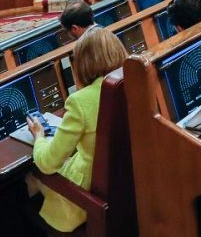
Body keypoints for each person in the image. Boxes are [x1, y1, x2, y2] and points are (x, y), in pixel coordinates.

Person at [27, 25, 128, 235]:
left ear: (83, 63)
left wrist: (39, 137)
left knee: (29, 177)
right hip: (127, 187)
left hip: (91, 197)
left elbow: (47, 163)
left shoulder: (79, 102)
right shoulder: (134, 81)